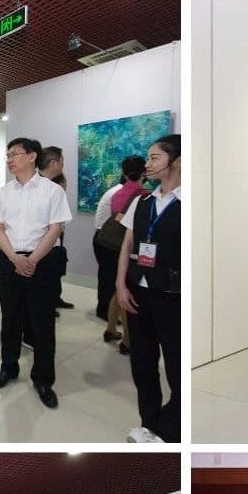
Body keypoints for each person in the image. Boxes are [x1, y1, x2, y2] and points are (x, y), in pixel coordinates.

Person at [0, 137, 72, 409]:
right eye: (8, 155)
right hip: (10, 260)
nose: (9, 159)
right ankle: (8, 368)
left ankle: (43, 379)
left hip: (42, 261)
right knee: (10, 318)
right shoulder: (2, 193)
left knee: (42, 323)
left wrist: (32, 259)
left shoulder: (52, 191)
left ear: (32, 156)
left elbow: (55, 229)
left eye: (15, 154)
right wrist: (14, 258)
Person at [117, 134, 183, 443]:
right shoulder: (142, 201)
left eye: (155, 158)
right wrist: (120, 284)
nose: (148, 164)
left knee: (176, 365)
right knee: (142, 362)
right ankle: (149, 421)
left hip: (172, 296)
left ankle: (171, 430)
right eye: (148, 157)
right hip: (137, 291)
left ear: (177, 162)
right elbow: (127, 244)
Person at [96, 154, 148, 350]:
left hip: (106, 243)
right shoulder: (145, 195)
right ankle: (127, 340)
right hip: (124, 248)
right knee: (126, 292)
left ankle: (111, 329)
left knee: (117, 290)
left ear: (123, 173)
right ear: (144, 172)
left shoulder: (117, 193)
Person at [36, 145, 74, 312]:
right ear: (54, 163)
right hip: (40, 243)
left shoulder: (54, 185)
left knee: (54, 272)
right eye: (62, 161)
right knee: (43, 278)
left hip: (54, 240)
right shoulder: (37, 186)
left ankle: (53, 301)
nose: (63, 165)